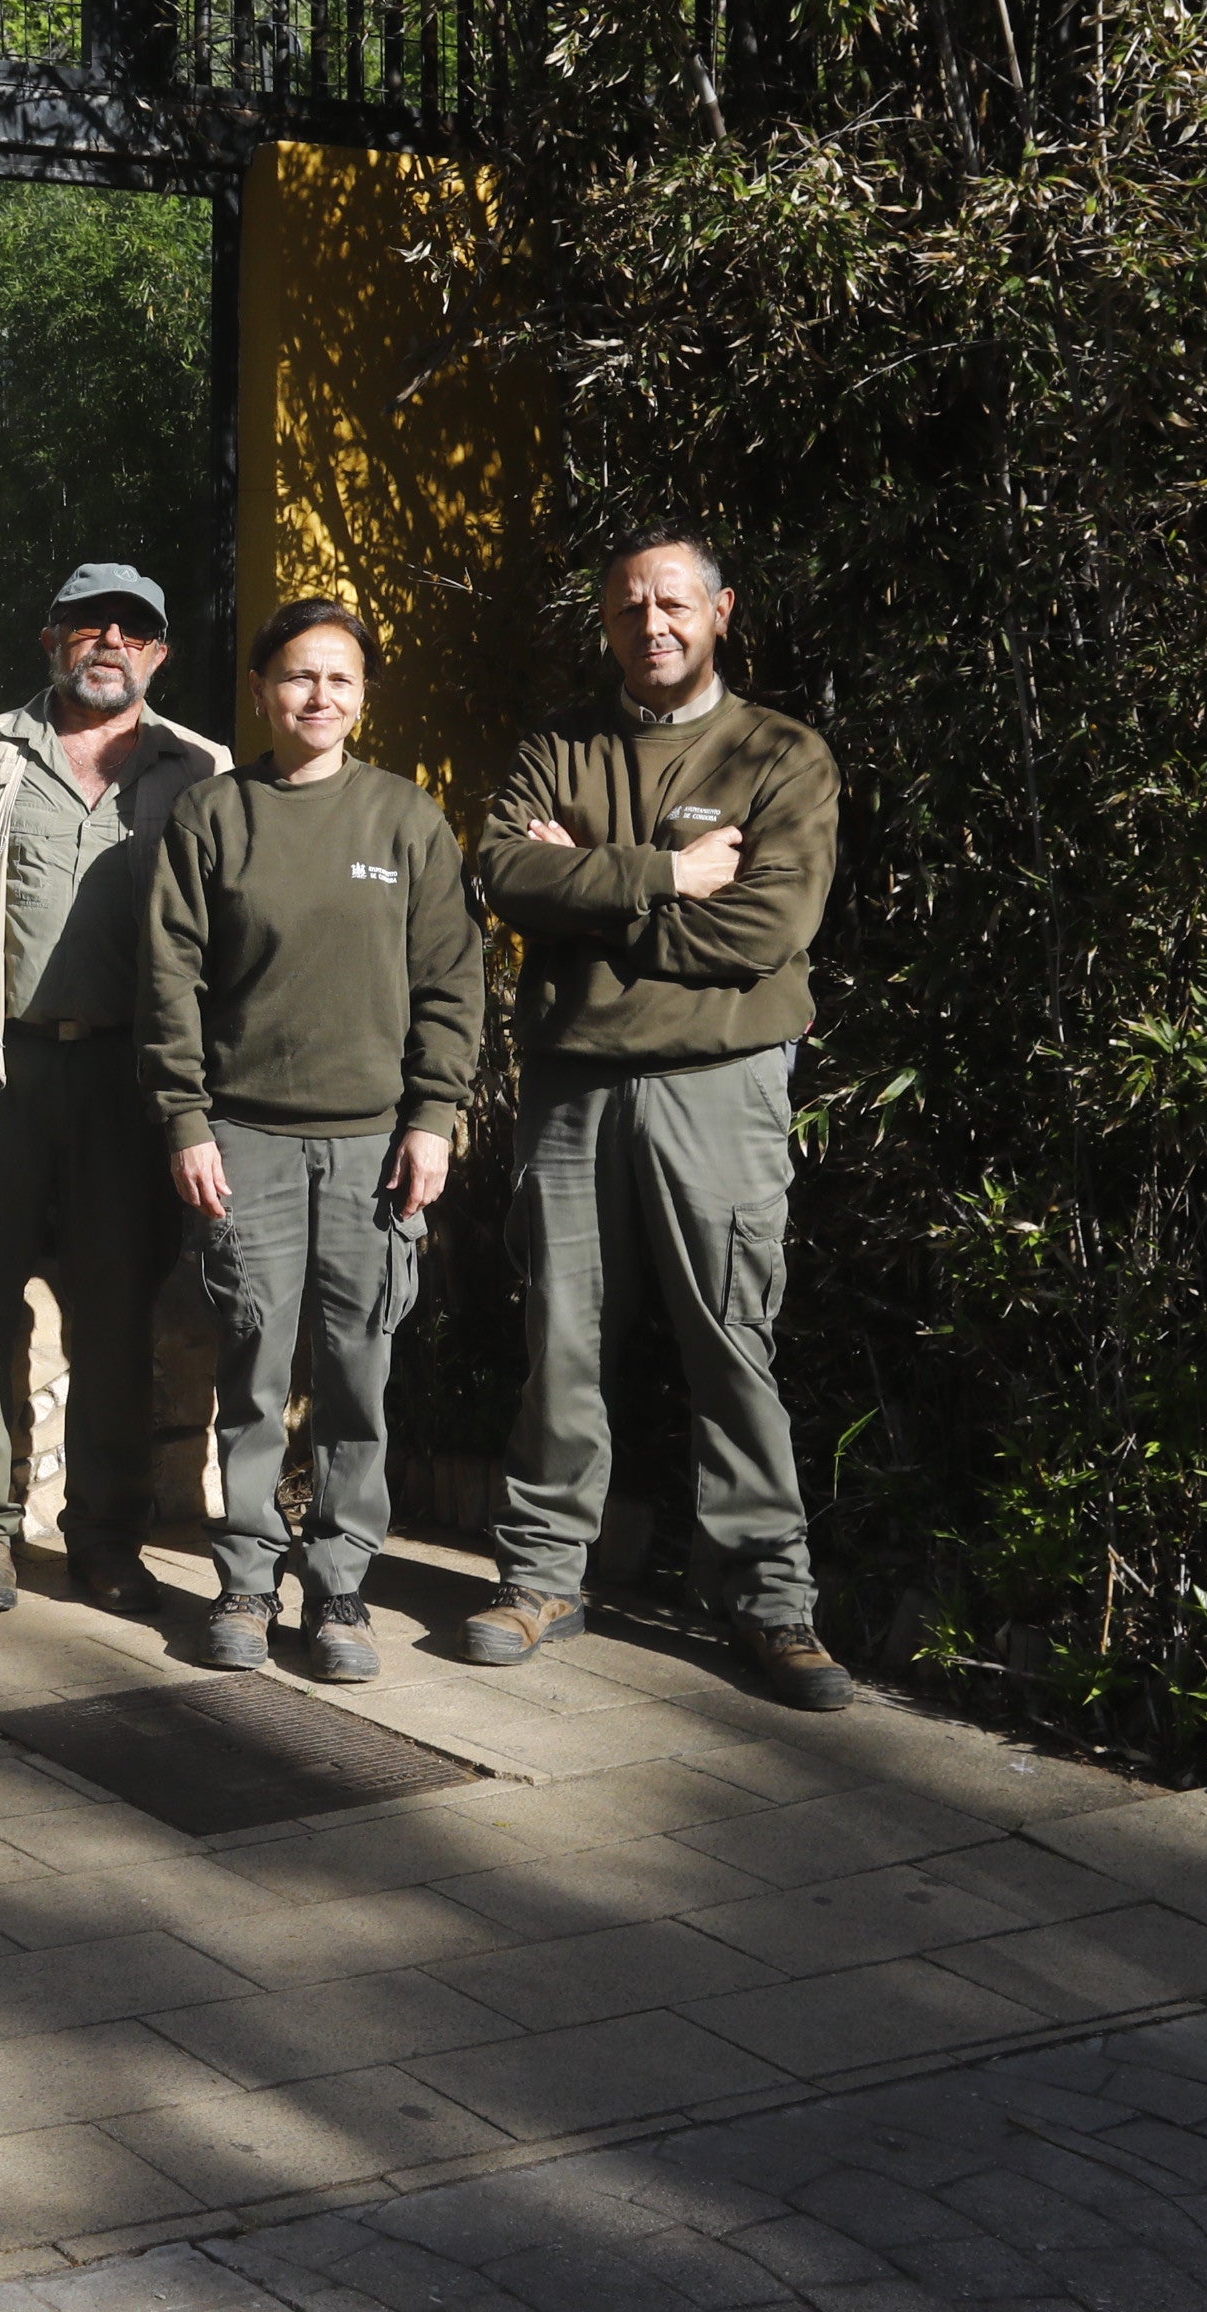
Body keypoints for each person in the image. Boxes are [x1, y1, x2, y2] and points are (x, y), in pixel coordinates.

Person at [468, 522, 851, 1709]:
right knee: (561, 1340)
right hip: (575, 1087)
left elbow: (766, 933)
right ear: (607, 621)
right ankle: (539, 1578)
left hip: (720, 1087)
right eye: (631, 607)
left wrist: (591, 888)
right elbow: (497, 871)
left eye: (675, 603)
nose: (653, 624)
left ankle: (770, 1603)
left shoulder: (782, 756)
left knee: (731, 1342)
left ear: (721, 611)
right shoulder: (561, 749)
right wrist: (664, 875)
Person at [146, 599, 485, 1680]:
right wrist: (186, 1120)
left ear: (363, 696)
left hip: (373, 1149)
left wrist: (435, 1116)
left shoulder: (405, 820)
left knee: (356, 1374)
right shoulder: (215, 817)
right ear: (260, 690)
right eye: (298, 676)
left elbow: (452, 981)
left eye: (340, 679)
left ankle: (341, 1589)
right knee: (249, 1371)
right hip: (243, 1138)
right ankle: (246, 1582)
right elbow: (171, 984)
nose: (319, 696)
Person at [0, 563, 233, 1621]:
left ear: (160, 654)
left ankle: (106, 1535)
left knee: (114, 1304)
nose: (109, 641)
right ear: (50, 638)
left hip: (130, 1075)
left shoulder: (205, 773)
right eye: (88, 623)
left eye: (132, 629)